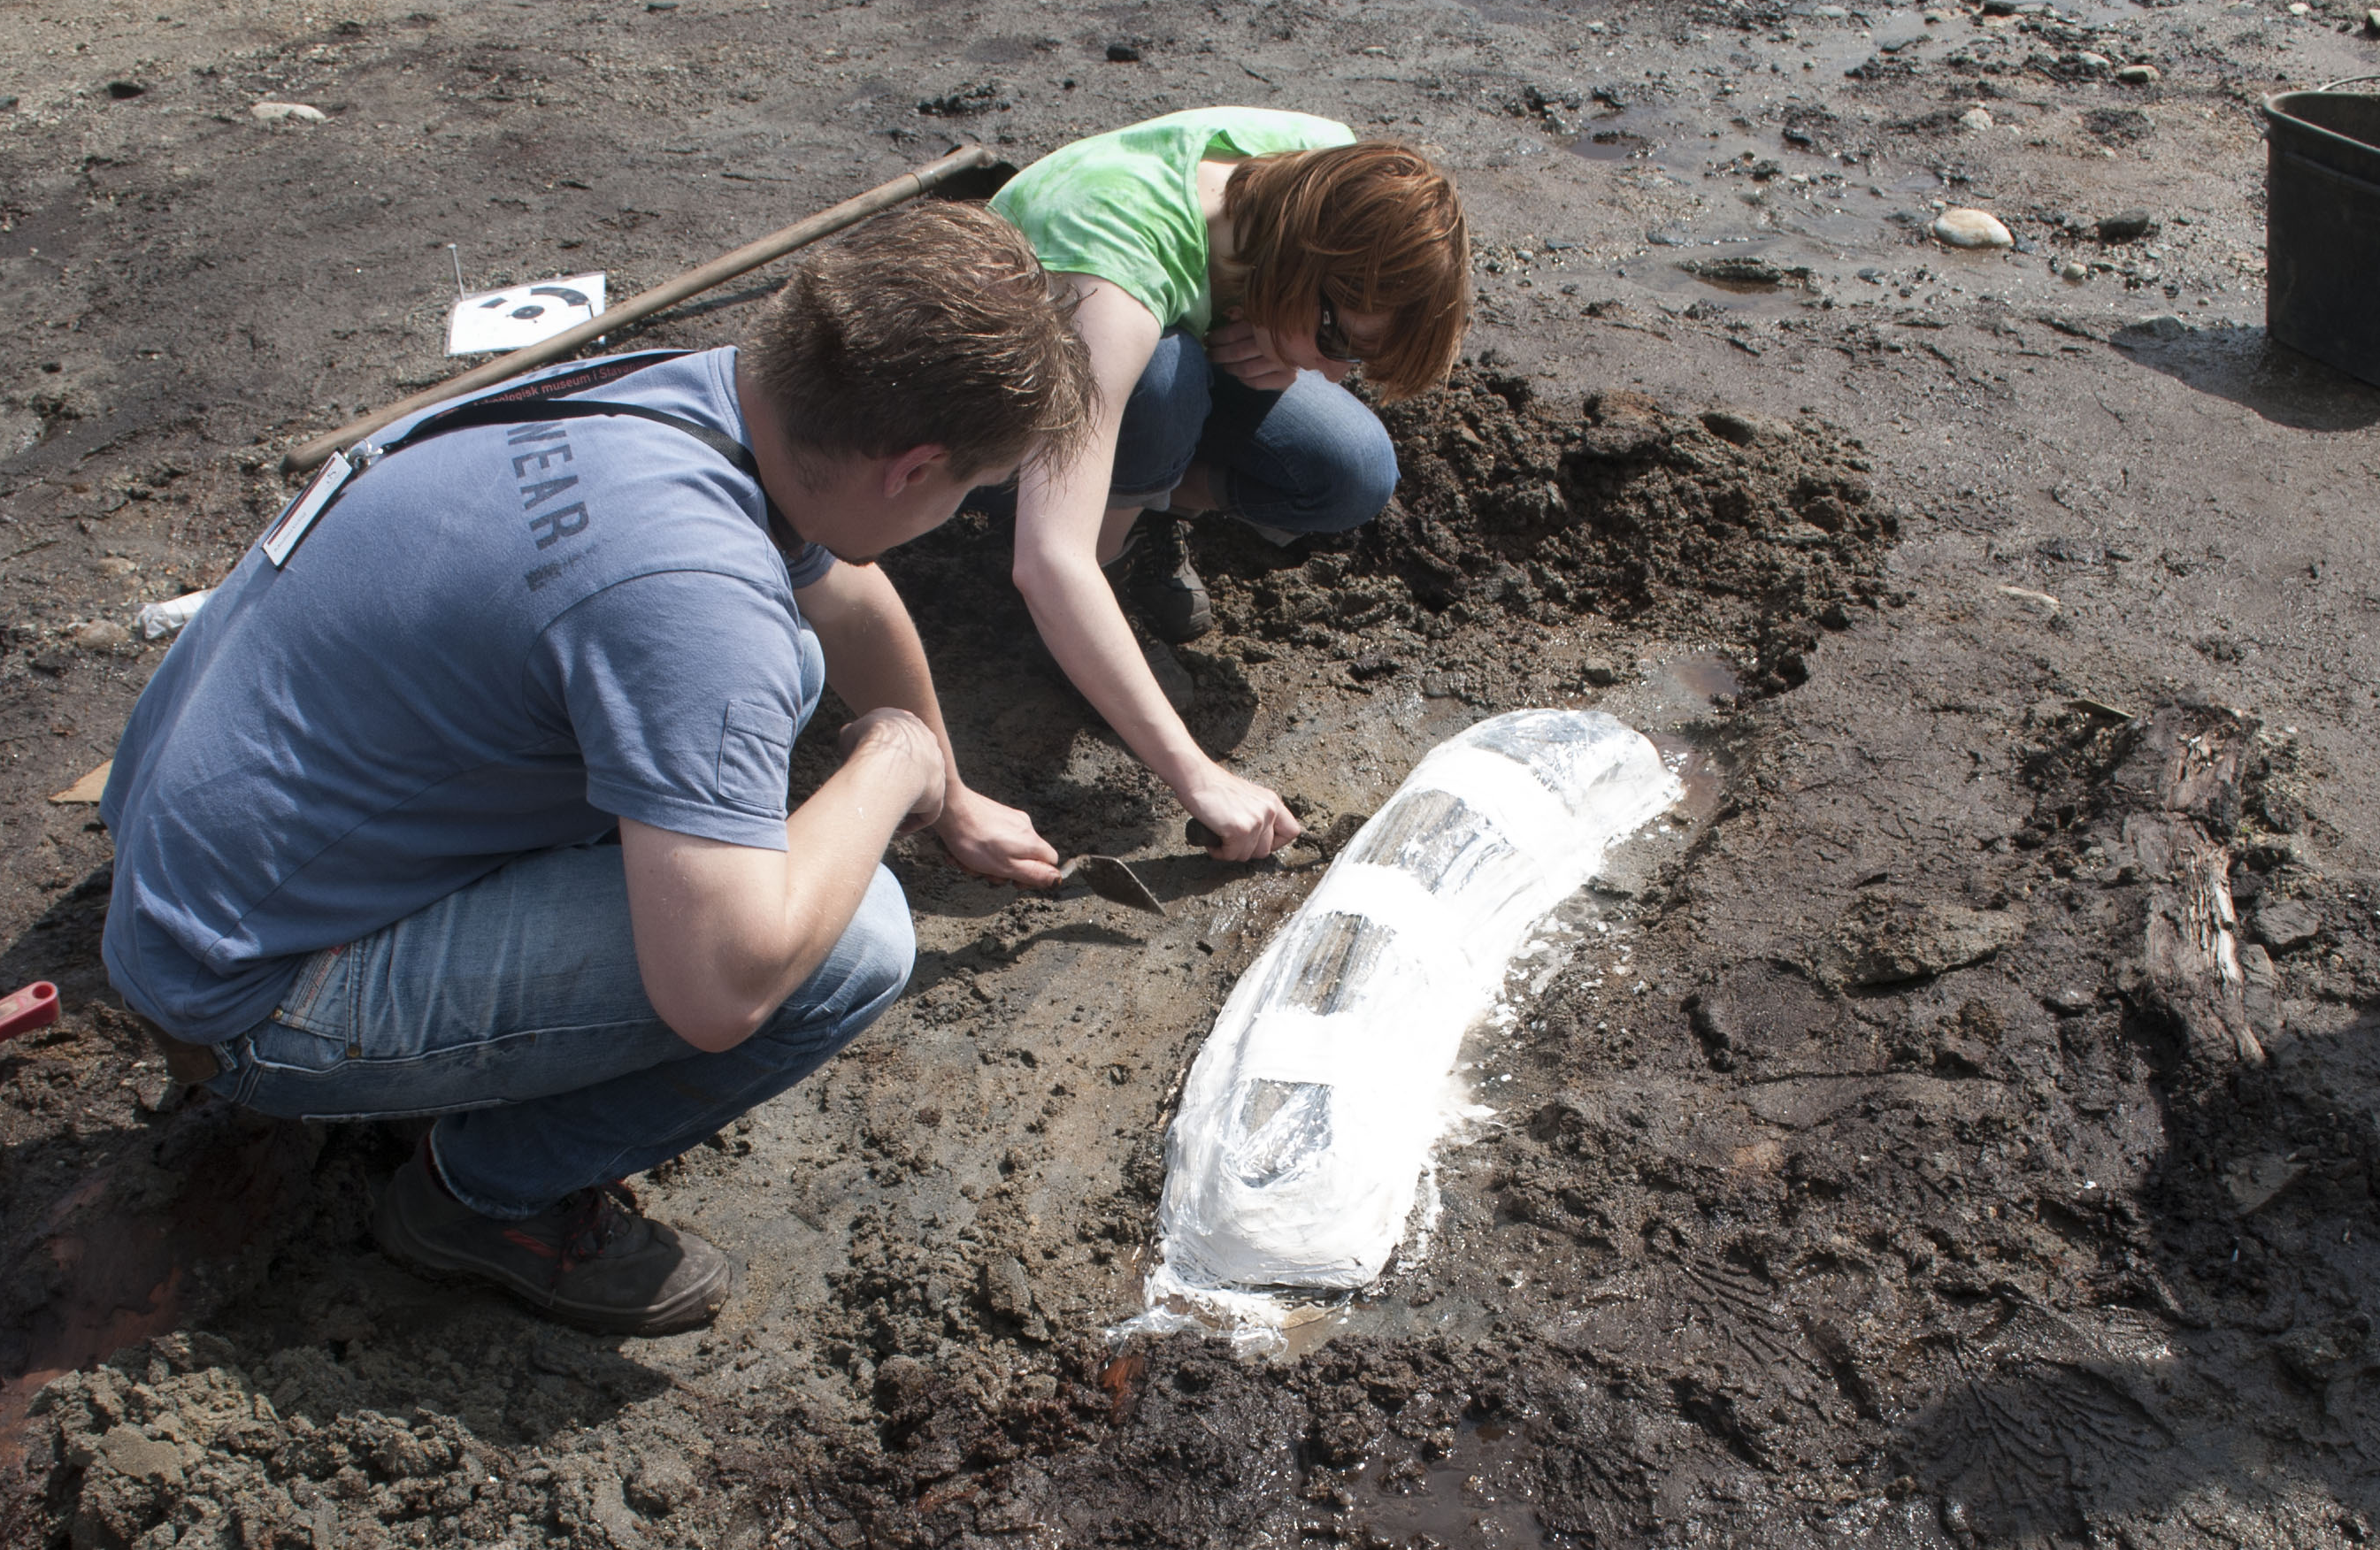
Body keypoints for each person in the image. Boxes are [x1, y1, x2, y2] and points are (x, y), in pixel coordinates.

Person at [95, 203, 1093, 1336]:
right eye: (969, 489)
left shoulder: (680, 396)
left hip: (191, 844)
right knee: (851, 935)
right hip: (239, 989)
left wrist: (952, 796)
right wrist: (900, 756)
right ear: (914, 468)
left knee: (707, 781)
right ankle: (482, 1197)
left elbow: (845, 583)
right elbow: (721, 985)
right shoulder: (696, 602)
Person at [989, 108, 1470, 861]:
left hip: (1166, 330)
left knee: (1350, 468)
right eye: (1339, 340)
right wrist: (1197, 775)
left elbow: (1323, 356)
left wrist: (1287, 346)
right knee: (1162, 384)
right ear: (1297, 265)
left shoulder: (1331, 169)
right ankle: (1094, 588)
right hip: (1010, 398)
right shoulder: (1113, 277)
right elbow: (1048, 559)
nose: (1338, 373)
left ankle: (1150, 505)